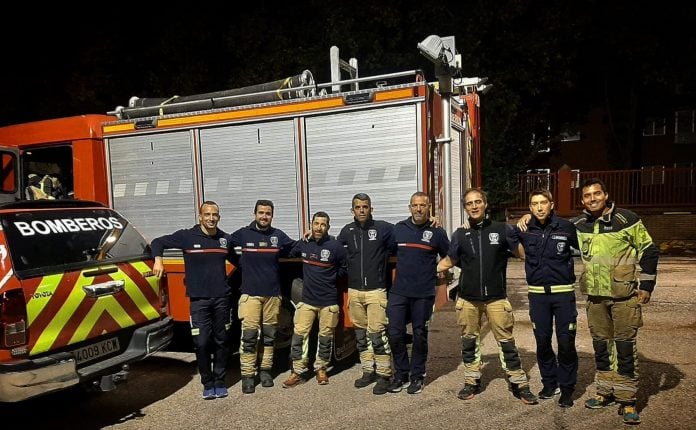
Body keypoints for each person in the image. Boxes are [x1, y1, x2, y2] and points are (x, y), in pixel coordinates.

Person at [437, 187, 538, 405]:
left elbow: (522, 254)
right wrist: (422, 270)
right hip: (467, 299)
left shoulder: (502, 229)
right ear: (465, 208)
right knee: (469, 341)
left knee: (506, 341)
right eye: (469, 203)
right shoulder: (460, 234)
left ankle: (518, 382)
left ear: (485, 204)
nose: (474, 206)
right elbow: (448, 261)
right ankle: (472, 380)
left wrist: (528, 222)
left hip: (496, 298)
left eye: (477, 202)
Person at [570, 178, 658, 424]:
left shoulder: (626, 220)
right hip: (596, 299)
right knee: (601, 347)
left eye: (597, 194)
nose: (593, 198)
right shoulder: (578, 225)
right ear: (582, 200)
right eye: (587, 195)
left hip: (623, 297)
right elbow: (552, 231)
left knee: (625, 347)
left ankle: (627, 400)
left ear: (606, 195)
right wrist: (526, 220)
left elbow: (649, 250)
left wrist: (647, 285)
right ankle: (605, 392)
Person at [150, 201, 233, 400]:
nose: (211, 218)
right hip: (198, 301)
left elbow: (242, 259)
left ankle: (220, 382)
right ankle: (207, 383)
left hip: (222, 298)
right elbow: (157, 242)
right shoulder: (187, 236)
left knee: (222, 342)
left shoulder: (225, 240)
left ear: (219, 217)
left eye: (215, 214)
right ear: (200, 217)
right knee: (202, 342)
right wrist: (158, 260)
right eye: (207, 214)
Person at [510, 189, 579, 408]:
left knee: (566, 342)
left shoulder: (566, 227)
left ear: (551, 204)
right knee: (542, 341)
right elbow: (498, 232)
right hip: (538, 296)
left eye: (543, 203)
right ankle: (550, 384)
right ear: (529, 207)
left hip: (563, 294)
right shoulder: (524, 228)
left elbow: (586, 247)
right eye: (534, 204)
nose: (539, 207)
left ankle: (567, 389)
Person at [228, 199, 296, 394]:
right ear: (255, 214)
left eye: (268, 213)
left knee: (269, 336)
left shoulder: (278, 236)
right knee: (249, 337)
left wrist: (309, 239)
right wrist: (239, 262)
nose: (264, 216)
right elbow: (225, 246)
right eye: (261, 212)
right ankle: (248, 375)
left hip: (272, 296)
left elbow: (294, 248)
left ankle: (265, 371)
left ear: (271, 216)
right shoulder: (243, 234)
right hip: (250, 295)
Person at [386, 192, 449, 395]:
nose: (419, 209)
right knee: (395, 333)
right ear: (409, 207)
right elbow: (384, 250)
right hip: (399, 292)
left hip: (423, 293)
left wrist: (437, 271)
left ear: (429, 207)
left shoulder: (437, 231)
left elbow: (449, 255)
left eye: (422, 205)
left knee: (420, 334)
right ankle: (401, 374)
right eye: (415, 205)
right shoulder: (399, 229)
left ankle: (417, 376)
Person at [337, 193, 395, 395]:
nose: (362, 210)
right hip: (355, 292)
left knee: (377, 336)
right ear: (352, 210)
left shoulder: (383, 229)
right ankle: (368, 371)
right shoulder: (347, 231)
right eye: (358, 207)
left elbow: (407, 232)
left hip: (376, 291)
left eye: (365, 207)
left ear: (371, 209)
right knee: (361, 337)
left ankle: (385, 375)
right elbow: (334, 250)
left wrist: (431, 221)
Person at [282, 211, 347, 388]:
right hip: (307, 301)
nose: (319, 227)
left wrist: (332, 276)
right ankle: (297, 371)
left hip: (328, 302)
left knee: (325, 337)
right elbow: (288, 251)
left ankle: (321, 369)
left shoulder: (335, 247)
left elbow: (345, 267)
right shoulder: (305, 245)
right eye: (316, 224)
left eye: (323, 224)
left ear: (328, 227)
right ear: (311, 225)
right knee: (299, 337)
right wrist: (302, 239)